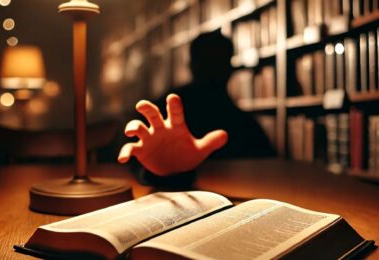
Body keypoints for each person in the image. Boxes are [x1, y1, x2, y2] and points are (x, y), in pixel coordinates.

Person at [118, 31, 275, 186]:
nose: (213, 72)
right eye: (207, 62)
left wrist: (155, 172)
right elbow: (133, 158)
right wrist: (153, 171)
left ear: (190, 66)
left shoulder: (245, 124)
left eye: (218, 62)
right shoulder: (164, 111)